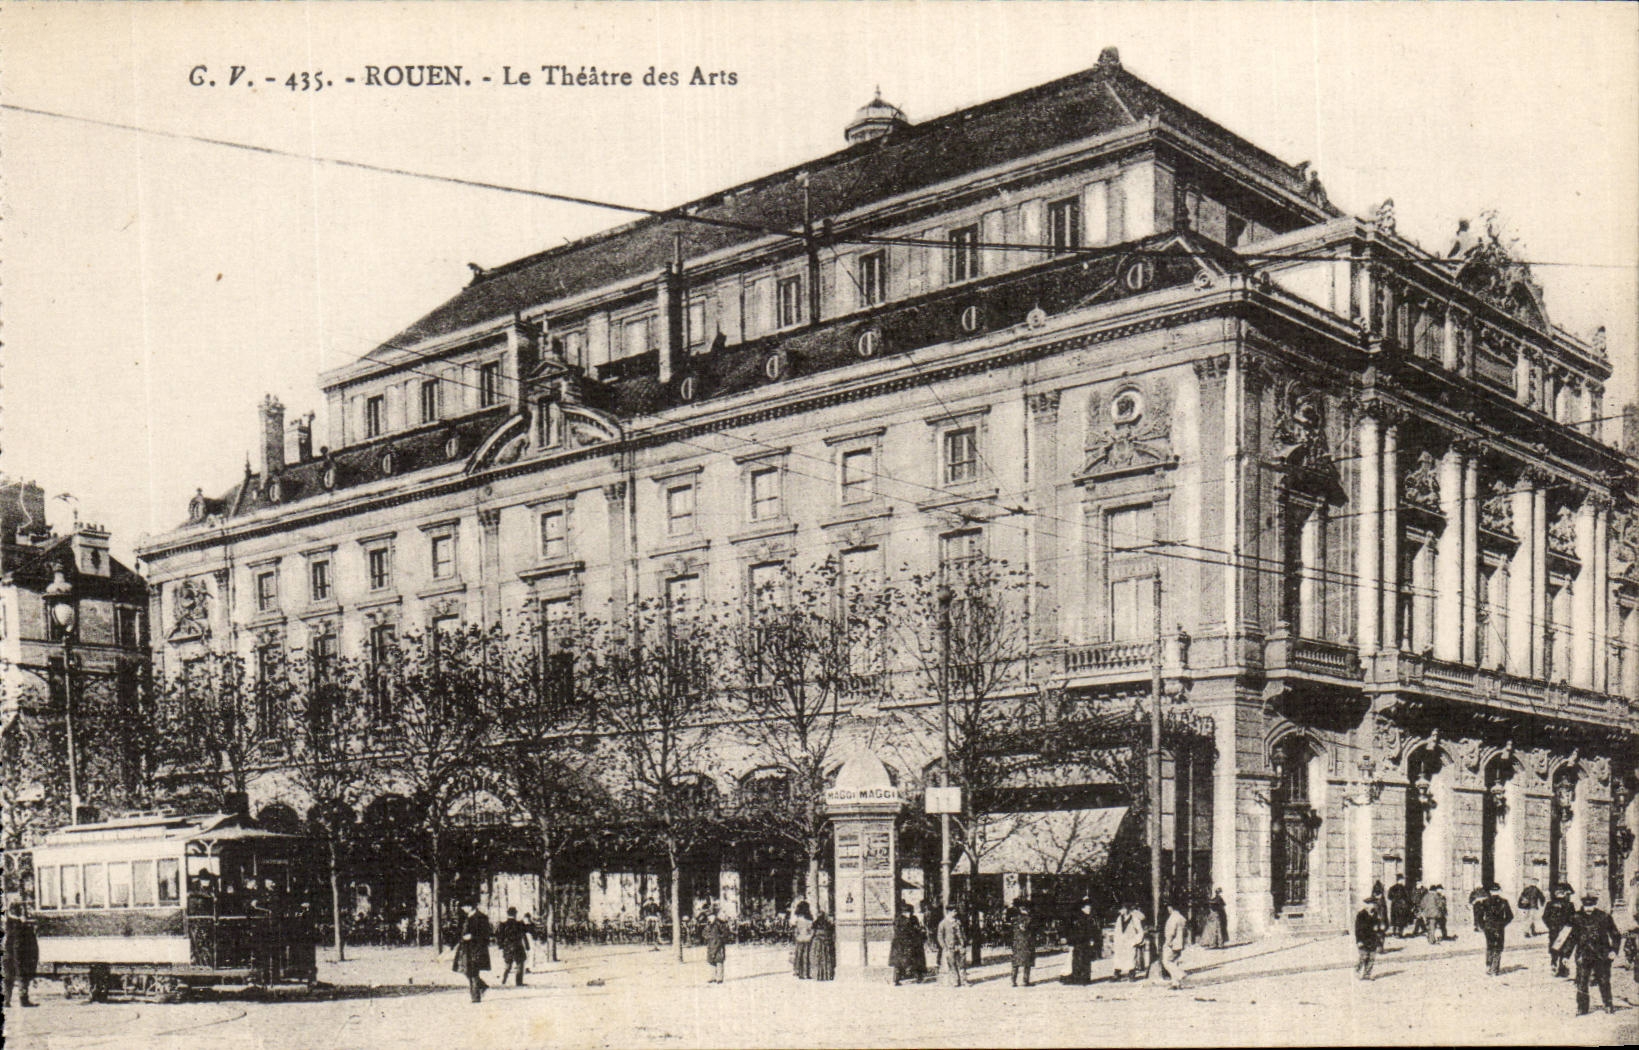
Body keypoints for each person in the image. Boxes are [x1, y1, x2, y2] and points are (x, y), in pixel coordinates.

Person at [1567, 893, 1620, 1016]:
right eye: (1586, 906)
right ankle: (1582, 1008)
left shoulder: (1604, 917)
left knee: (1604, 980)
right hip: (1583, 954)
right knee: (1582, 981)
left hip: (1601, 954)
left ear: (1595, 905)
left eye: (1591, 905)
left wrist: (1614, 950)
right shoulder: (1576, 917)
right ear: (1583, 905)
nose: (1588, 909)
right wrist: (1565, 955)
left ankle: (1608, 1004)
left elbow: (1615, 934)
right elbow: (1571, 938)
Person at [452, 901, 493, 1003]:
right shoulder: (466, 917)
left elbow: (486, 935)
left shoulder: (482, 917)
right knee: (466, 971)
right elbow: (459, 932)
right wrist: (452, 945)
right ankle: (482, 986)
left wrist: (472, 937)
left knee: (473, 972)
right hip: (465, 950)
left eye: (464, 906)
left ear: (470, 906)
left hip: (476, 949)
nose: (463, 909)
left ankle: (475, 997)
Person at [3, 902, 38, 1008]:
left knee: (9, 977)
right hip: (20, 954)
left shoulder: (10, 923)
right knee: (22, 976)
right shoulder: (20, 924)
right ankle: (23, 1000)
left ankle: (6, 1000)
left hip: (9, 953)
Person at [1474, 883, 1513, 976]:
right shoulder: (1504, 902)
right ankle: (1494, 969)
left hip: (1488, 927)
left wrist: (1483, 926)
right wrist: (1503, 924)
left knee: (1490, 945)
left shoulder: (1484, 902)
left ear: (1490, 892)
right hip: (1499, 927)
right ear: (1499, 891)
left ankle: (1488, 965)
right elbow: (1510, 916)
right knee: (1498, 947)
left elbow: (1479, 916)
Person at [1544, 885, 1576, 977]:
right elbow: (1573, 918)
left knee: (1554, 948)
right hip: (1565, 930)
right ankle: (1562, 969)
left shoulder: (1549, 904)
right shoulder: (1569, 904)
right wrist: (1569, 926)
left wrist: (1550, 926)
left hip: (1553, 930)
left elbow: (1545, 917)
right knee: (1564, 949)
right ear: (1564, 894)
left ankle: (1553, 964)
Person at [889, 904, 925, 986]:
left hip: (912, 942)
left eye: (910, 912)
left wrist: (919, 930)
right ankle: (897, 980)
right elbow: (899, 931)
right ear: (903, 912)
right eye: (906, 912)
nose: (908, 914)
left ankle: (918, 977)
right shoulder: (899, 920)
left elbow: (917, 928)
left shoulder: (914, 919)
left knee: (916, 960)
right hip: (901, 944)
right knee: (899, 962)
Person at [495, 906, 531, 987]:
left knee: (508, 964)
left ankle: (504, 980)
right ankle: (519, 982)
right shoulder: (519, 924)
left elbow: (499, 937)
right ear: (515, 914)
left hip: (507, 947)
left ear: (507, 914)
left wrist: (500, 946)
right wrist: (527, 947)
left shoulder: (503, 925)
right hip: (518, 946)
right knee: (520, 964)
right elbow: (524, 936)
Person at [1064, 898, 1097, 984]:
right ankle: (1080, 978)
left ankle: (1084, 978)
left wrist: (1092, 938)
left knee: (1085, 960)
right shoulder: (1079, 918)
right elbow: (1073, 930)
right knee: (1079, 960)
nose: (1089, 909)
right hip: (1079, 942)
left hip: (1085, 942)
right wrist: (1071, 942)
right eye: (1088, 908)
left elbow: (1092, 930)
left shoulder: (1089, 917)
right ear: (1083, 908)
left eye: (1090, 908)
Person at [936, 903, 968, 987]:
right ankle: (955, 981)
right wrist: (944, 946)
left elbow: (962, 932)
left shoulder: (958, 922)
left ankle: (964, 980)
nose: (956, 913)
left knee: (962, 964)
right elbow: (940, 936)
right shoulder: (943, 923)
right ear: (949, 912)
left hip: (960, 946)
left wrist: (964, 942)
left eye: (956, 911)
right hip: (950, 947)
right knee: (952, 964)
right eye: (954, 911)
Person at [1113, 902, 1147, 981]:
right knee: (1118, 959)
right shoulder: (1119, 918)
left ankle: (1131, 975)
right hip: (1121, 943)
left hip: (1130, 942)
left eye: (1122, 909)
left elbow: (1140, 931)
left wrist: (1135, 941)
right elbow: (1116, 931)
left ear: (1126, 909)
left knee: (1131, 959)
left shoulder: (1134, 919)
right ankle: (1117, 974)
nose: (1120, 911)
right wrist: (1116, 941)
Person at [1161, 900, 1189, 990]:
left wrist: (1167, 943)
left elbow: (1170, 932)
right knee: (1174, 962)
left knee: (1166, 961)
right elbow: (1185, 932)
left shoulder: (1172, 918)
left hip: (1172, 943)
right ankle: (1176, 983)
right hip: (1180, 943)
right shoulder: (1182, 918)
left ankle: (1180, 974)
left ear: (1170, 907)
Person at [1009, 898, 1036, 987]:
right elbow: (1026, 929)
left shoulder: (1015, 919)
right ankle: (1025, 981)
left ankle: (1013, 981)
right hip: (1027, 942)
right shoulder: (1028, 919)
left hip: (1017, 942)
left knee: (1016, 962)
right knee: (1027, 962)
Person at [1355, 895, 1382, 981]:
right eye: (1370, 904)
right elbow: (1358, 929)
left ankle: (1367, 974)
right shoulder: (1361, 915)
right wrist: (1359, 940)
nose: (1372, 906)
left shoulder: (1376, 914)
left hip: (1373, 939)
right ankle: (1357, 970)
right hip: (1363, 939)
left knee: (1372, 957)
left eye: (1373, 904)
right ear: (1366, 905)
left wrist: (1378, 928)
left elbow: (1378, 926)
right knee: (1364, 957)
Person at [702, 905, 729, 984]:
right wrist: (707, 936)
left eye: (710, 916)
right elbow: (703, 933)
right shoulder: (708, 924)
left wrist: (721, 939)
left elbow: (725, 933)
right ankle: (712, 977)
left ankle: (719, 978)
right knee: (711, 961)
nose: (709, 918)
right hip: (710, 944)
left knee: (719, 961)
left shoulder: (719, 923)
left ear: (714, 916)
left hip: (719, 945)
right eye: (708, 916)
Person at [810, 910, 836, 981]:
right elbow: (832, 933)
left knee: (818, 959)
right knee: (826, 959)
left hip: (818, 943)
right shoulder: (828, 924)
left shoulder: (815, 923)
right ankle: (827, 975)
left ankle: (818, 975)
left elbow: (812, 934)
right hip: (827, 943)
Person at [791, 900, 814, 979]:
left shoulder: (798, 919)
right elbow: (811, 930)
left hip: (800, 938)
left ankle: (799, 972)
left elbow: (796, 930)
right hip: (807, 939)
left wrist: (797, 937)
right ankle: (807, 973)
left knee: (799, 956)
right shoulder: (810, 919)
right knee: (806, 956)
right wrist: (810, 937)